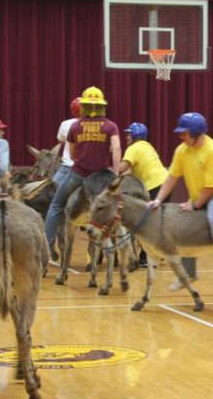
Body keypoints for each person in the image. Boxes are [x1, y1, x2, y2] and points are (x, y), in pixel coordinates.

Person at [148, 112, 213, 281]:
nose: (181, 137)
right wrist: (158, 200)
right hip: (199, 194)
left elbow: (211, 187)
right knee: (185, 224)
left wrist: (194, 205)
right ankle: (188, 274)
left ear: (195, 133)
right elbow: (172, 177)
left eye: (184, 133)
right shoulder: (182, 150)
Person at [44, 86, 121, 256]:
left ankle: (47, 245)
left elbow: (72, 153)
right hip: (101, 178)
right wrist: (115, 173)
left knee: (56, 205)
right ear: (101, 105)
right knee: (119, 207)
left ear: (84, 105)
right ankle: (118, 248)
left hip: (78, 174)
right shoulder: (110, 126)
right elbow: (116, 148)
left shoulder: (75, 126)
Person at [118, 122, 173, 269]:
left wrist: (110, 171)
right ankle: (159, 254)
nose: (126, 137)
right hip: (165, 183)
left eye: (129, 134)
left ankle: (146, 258)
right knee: (157, 222)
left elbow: (121, 168)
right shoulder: (147, 147)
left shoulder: (133, 148)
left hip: (155, 186)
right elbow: (135, 170)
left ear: (135, 135)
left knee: (146, 222)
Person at [53, 97, 82, 187]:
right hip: (86, 168)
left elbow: (60, 141)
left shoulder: (65, 124)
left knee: (52, 189)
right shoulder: (92, 124)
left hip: (67, 166)